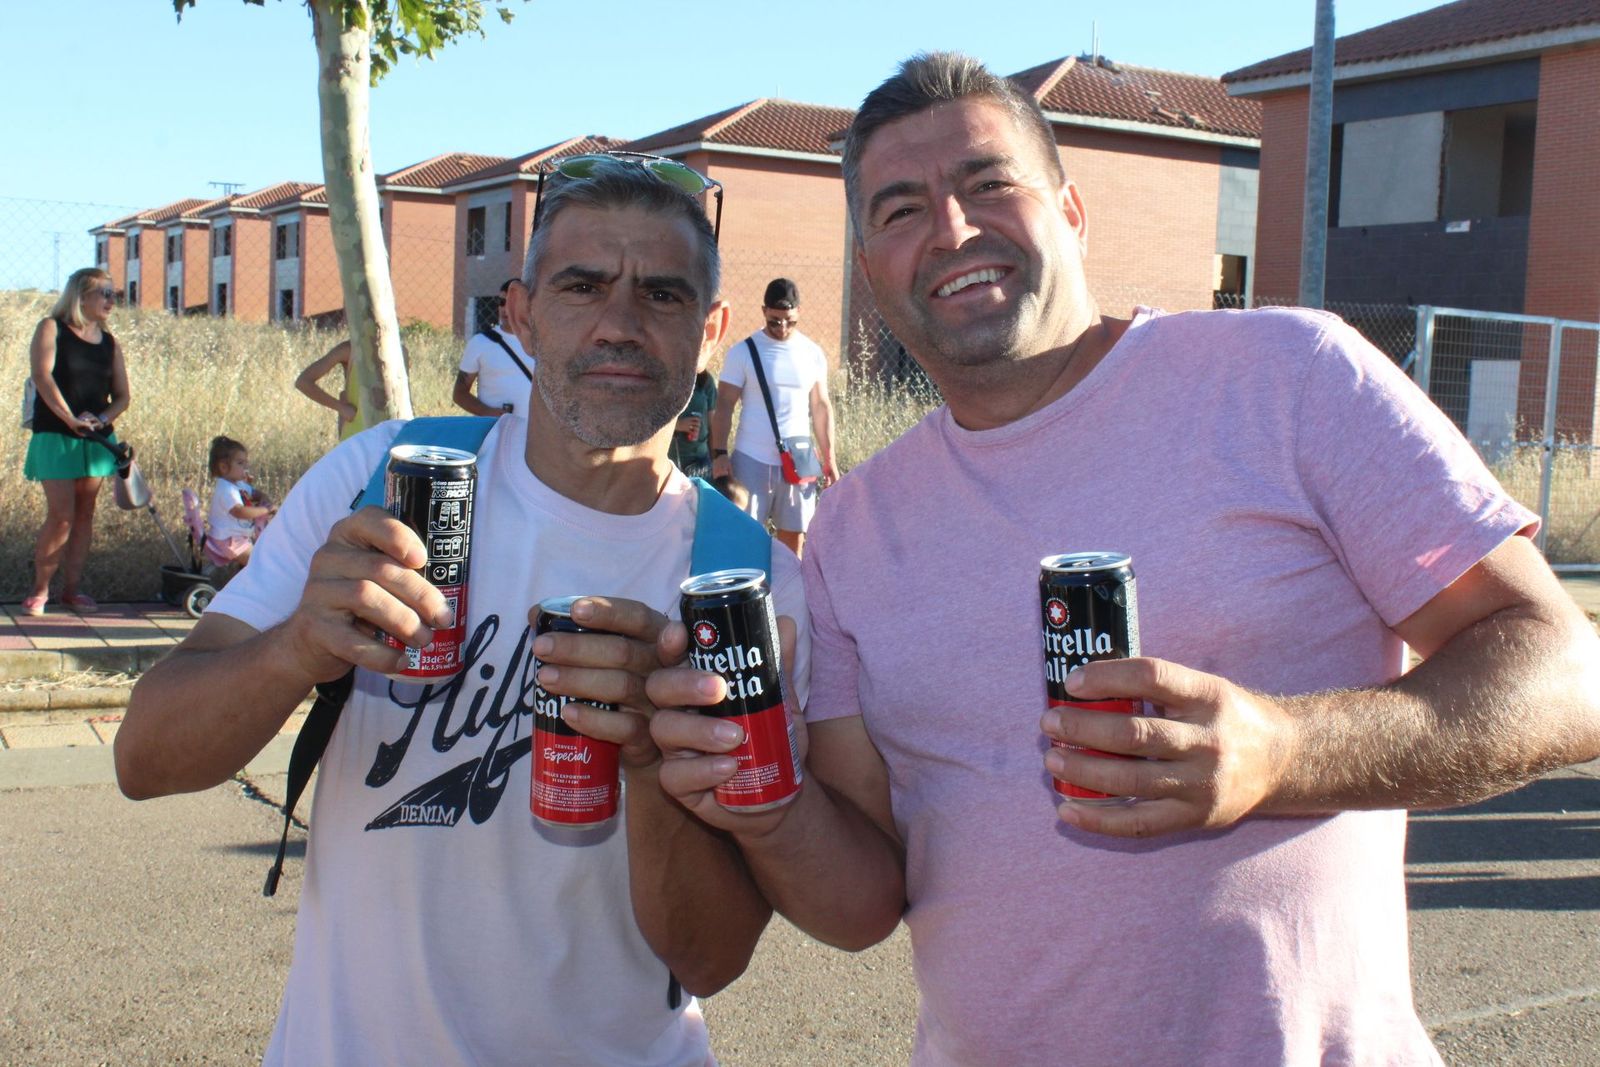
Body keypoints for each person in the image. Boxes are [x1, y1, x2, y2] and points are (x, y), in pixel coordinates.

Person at [646, 52, 1600, 1065]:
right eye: (899, 209)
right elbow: (861, 898)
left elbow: (1564, 675)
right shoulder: (852, 529)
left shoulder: (1287, 378)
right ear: (871, 266)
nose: (953, 229)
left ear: (1070, 209)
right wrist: (756, 793)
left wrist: (1284, 750)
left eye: (987, 184)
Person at [115, 156, 810, 1065]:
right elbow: (144, 759)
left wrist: (648, 758)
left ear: (713, 329)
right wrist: (293, 650)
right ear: (520, 315)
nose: (620, 323)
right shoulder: (383, 477)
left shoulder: (751, 585)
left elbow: (712, 959)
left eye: (665, 296)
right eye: (582, 286)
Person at [21, 267, 131, 616]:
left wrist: (103, 420)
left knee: (85, 515)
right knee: (62, 516)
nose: (112, 300)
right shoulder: (51, 328)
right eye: (105, 293)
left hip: (96, 440)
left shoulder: (110, 343)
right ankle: (40, 591)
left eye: (115, 294)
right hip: (55, 435)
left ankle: (72, 591)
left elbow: (123, 397)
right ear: (81, 295)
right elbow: (41, 376)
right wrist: (69, 418)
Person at [709, 278, 839, 556]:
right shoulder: (743, 352)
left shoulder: (812, 353)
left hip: (798, 460)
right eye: (775, 321)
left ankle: (788, 597)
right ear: (763, 311)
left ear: (799, 313)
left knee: (794, 540)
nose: (782, 328)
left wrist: (830, 458)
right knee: (746, 538)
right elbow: (724, 406)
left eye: (789, 321)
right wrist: (719, 453)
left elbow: (820, 406)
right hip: (751, 458)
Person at [453, 277, 536, 416]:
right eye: (501, 302)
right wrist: (490, 413)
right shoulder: (480, 343)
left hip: (536, 431)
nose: (505, 309)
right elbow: (459, 394)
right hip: (495, 430)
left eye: (512, 302)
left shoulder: (543, 344)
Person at [205, 435, 275, 566]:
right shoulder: (226, 489)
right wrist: (264, 510)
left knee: (259, 556)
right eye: (240, 463)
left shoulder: (238, 485)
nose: (245, 467)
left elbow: (255, 493)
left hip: (236, 538)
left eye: (245, 463)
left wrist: (264, 499)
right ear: (224, 467)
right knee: (258, 563)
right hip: (227, 540)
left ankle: (244, 580)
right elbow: (239, 512)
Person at [293, 339, 359, 440]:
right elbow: (303, 382)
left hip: (388, 438)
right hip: (355, 437)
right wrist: (341, 408)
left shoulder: (391, 349)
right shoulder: (349, 349)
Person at [668, 369, 717, 478]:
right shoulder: (667, 377)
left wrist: (717, 459)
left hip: (701, 463)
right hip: (670, 461)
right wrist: (678, 425)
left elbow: (714, 426)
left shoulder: (705, 380)